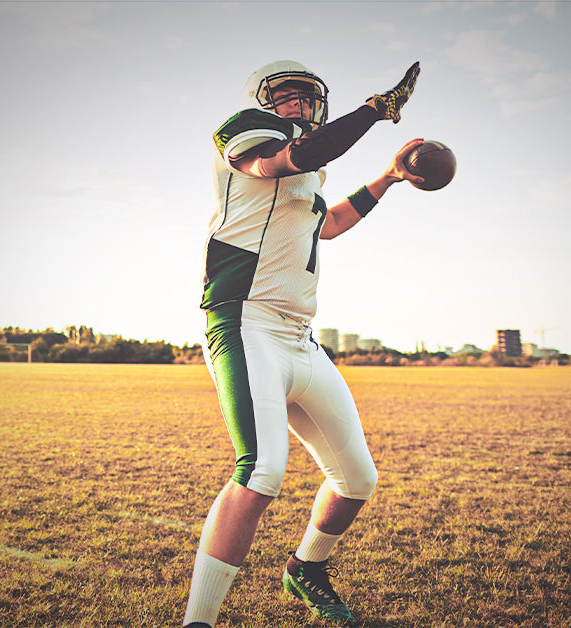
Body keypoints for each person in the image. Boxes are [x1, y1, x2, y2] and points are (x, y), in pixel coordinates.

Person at [183, 59, 423, 628]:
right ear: (263, 103)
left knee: (357, 479)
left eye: (306, 99)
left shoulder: (309, 184)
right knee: (262, 470)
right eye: (285, 97)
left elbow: (331, 223)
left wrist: (387, 178)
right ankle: (198, 622)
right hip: (246, 321)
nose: (297, 106)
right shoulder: (245, 134)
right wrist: (375, 109)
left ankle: (306, 569)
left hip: (299, 337)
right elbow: (289, 157)